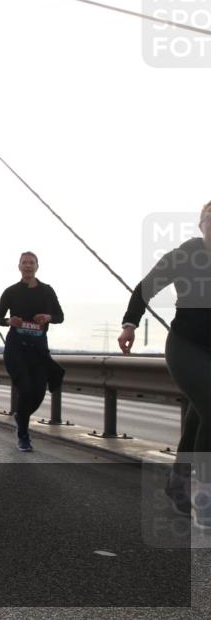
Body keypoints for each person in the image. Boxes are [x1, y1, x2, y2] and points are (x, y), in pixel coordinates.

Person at [119, 201, 211, 529]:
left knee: (199, 420)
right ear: (201, 225)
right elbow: (146, 288)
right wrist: (130, 324)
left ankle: (178, 482)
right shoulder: (183, 255)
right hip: (184, 348)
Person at [0, 252, 65, 452]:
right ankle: (23, 435)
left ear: (37, 266)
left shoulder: (47, 291)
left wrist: (48, 317)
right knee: (25, 389)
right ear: (19, 266)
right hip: (16, 348)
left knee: (38, 393)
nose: (28, 266)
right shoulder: (11, 291)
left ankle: (20, 417)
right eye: (24, 263)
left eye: (31, 263)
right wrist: (9, 321)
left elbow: (60, 316)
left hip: (38, 350)